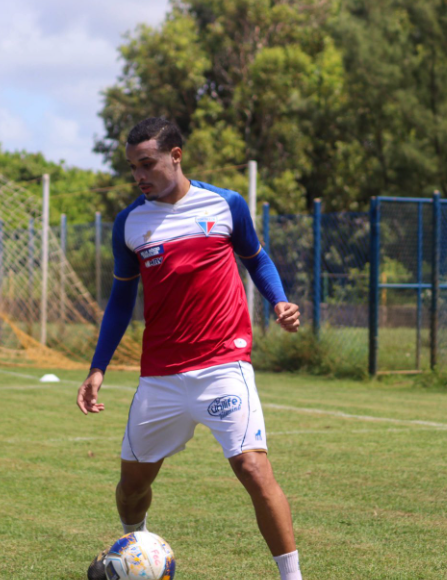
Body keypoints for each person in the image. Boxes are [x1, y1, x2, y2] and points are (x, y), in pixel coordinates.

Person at [78, 118, 303, 580]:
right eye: (132, 167)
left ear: (175, 156)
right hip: (160, 375)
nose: (138, 175)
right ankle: (133, 549)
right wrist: (97, 367)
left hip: (224, 363)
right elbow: (121, 300)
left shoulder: (225, 204)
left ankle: (292, 578)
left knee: (254, 469)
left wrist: (279, 301)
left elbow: (256, 258)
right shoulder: (130, 223)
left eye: (147, 164)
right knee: (132, 486)